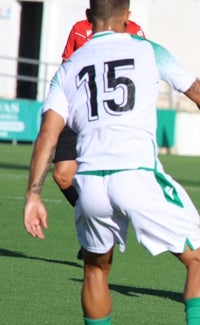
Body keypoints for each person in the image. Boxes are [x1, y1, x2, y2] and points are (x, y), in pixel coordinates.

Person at [23, 0, 200, 325]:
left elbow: (48, 135)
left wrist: (33, 196)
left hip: (90, 182)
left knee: (95, 268)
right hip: (138, 175)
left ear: (89, 18)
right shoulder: (147, 49)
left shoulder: (69, 68)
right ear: (128, 17)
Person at [53, 14, 146, 260]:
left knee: (110, 180)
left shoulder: (134, 32)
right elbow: (66, 68)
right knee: (62, 175)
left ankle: (98, 236)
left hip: (110, 118)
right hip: (76, 110)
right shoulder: (79, 29)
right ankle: (99, 224)